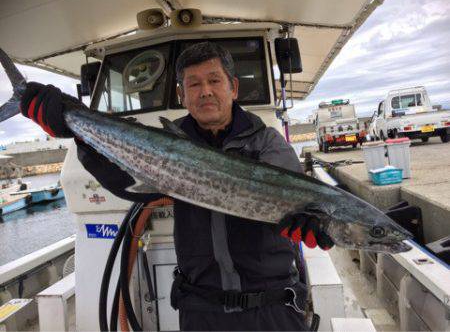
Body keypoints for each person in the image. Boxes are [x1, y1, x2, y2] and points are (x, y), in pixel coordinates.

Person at [20, 42, 334, 331]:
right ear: (183, 96)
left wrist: (306, 218)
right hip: (201, 311)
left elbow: (292, 196)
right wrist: (76, 130)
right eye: (194, 84)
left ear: (233, 88)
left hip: (272, 310)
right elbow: (130, 185)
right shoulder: (167, 143)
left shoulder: (266, 143)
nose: (205, 91)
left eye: (214, 81)